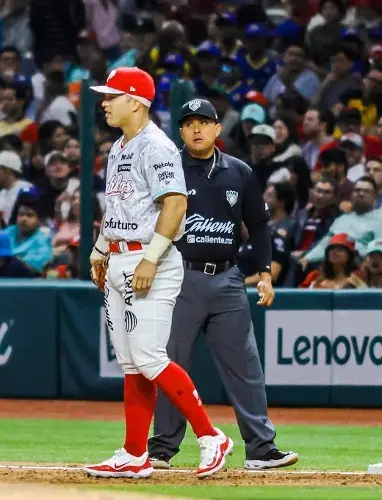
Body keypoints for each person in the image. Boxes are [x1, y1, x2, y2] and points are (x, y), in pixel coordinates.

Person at [84, 69, 233, 480]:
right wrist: (100, 250)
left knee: (150, 357)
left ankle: (210, 436)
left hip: (150, 261)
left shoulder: (157, 146)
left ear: (136, 101)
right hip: (119, 257)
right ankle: (135, 454)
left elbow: (174, 205)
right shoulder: (119, 146)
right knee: (132, 363)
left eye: (112, 96)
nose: (105, 102)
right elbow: (119, 210)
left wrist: (150, 258)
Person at [145, 98, 299, 472]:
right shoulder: (169, 169)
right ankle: (161, 450)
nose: (196, 129)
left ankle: (262, 449)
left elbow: (259, 225)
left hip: (228, 277)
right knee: (171, 364)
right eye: (189, 123)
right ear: (180, 131)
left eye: (204, 122)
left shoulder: (239, 171)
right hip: (177, 274)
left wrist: (263, 271)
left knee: (245, 366)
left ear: (217, 129)